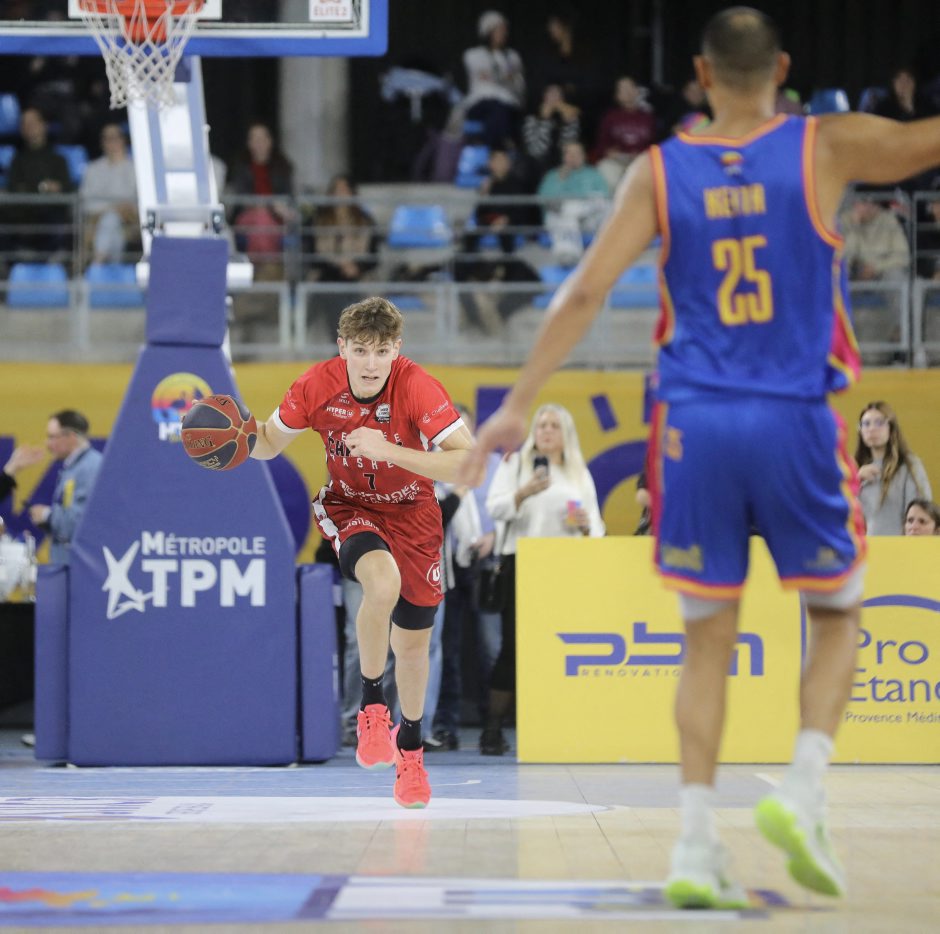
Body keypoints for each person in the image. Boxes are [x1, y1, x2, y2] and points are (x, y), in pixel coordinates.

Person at [461, 5, 940, 909]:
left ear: (702, 75)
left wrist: (519, 402)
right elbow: (926, 141)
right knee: (839, 614)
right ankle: (804, 791)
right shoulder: (824, 145)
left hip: (694, 424)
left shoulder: (657, 169)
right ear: (783, 71)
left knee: (705, 643)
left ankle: (692, 842)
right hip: (794, 416)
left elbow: (583, 293)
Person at [248, 297, 473, 808]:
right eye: (360, 350)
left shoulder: (416, 386)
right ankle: (372, 708)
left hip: (414, 515)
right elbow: (268, 442)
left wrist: (387, 449)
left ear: (398, 349)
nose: (371, 363)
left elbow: (467, 463)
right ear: (342, 348)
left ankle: (410, 753)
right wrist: (233, 440)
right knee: (382, 582)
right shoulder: (315, 385)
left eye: (382, 351)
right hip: (350, 506)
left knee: (413, 648)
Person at [481, 403, 604, 755]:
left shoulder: (577, 472)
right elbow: (494, 508)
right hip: (521, 565)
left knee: (560, 647)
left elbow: (596, 526)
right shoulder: (515, 465)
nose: (546, 431)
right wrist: (524, 493)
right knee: (512, 648)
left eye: (554, 425)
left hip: (564, 569)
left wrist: (586, 526)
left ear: (566, 433)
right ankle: (493, 729)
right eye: (541, 425)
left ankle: (558, 727)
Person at [304, 173, 379, 338]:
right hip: (326, 274)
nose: (341, 195)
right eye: (337, 190)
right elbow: (312, 255)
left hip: (356, 276)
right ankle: (341, 338)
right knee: (330, 292)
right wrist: (338, 265)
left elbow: (373, 257)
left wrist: (356, 267)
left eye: (344, 190)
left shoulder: (365, 221)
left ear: (352, 193)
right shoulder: (317, 220)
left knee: (350, 294)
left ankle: (344, 339)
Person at [28, 410, 103, 566]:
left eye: (52, 437)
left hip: (78, 567)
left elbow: (83, 522)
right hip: (69, 563)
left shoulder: (90, 468)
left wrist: (47, 515)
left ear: (71, 437)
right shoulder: (75, 468)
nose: (48, 444)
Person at [3, 107, 73, 260]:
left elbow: (67, 190)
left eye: (33, 122)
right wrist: (44, 187)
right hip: (22, 219)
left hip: (51, 219)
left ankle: (56, 260)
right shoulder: (17, 161)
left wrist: (33, 188)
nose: (29, 127)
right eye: (25, 123)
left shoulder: (58, 160)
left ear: (44, 125)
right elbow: (14, 189)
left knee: (60, 221)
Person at [228, 122, 295, 276]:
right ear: (249, 143)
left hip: (277, 218)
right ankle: (269, 271)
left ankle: (257, 273)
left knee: (265, 223)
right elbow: (241, 198)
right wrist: (269, 205)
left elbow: (289, 197)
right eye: (254, 138)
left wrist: (279, 209)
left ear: (270, 141)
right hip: (247, 217)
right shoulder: (240, 167)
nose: (258, 143)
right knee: (262, 220)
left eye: (262, 138)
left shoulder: (283, 167)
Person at [855, 401, 932, 535]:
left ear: (891, 428)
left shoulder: (909, 465)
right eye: (866, 423)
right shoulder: (853, 469)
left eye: (879, 423)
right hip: (865, 546)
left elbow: (922, 513)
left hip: (900, 545)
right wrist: (854, 480)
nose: (872, 428)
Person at [537, 140, 609, 265]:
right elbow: (543, 200)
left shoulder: (593, 174)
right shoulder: (553, 176)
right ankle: (568, 256)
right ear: (563, 157)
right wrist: (560, 179)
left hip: (588, 217)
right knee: (567, 211)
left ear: (583, 156)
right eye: (570, 154)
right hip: (561, 216)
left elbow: (605, 196)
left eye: (577, 153)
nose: (574, 157)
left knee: (607, 206)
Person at [462, 10, 526, 149]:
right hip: (481, 102)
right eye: (498, 30)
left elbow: (518, 83)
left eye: (504, 30)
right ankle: (494, 148)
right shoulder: (474, 54)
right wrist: (504, 77)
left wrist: (504, 78)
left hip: (508, 103)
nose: (503, 34)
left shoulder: (512, 56)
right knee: (498, 112)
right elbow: (482, 75)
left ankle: (492, 147)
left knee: (503, 113)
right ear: (488, 31)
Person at [79, 122, 138, 265]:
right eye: (107, 138)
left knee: (110, 221)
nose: (111, 142)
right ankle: (110, 269)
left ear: (123, 140)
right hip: (95, 221)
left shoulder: (135, 169)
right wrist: (113, 208)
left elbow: (133, 203)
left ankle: (97, 265)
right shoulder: (92, 169)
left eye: (115, 137)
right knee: (110, 221)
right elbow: (86, 203)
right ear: (102, 142)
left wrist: (111, 209)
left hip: (129, 222)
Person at [592, 76, 657, 191]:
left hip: (641, 161)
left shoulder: (648, 117)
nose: (627, 92)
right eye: (622, 89)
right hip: (617, 162)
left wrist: (642, 154)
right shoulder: (610, 117)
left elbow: (656, 145)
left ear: (637, 91)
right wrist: (608, 152)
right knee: (605, 169)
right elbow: (601, 146)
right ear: (617, 96)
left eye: (630, 87)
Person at [521, 83, 581, 186]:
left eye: (558, 94)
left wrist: (569, 122)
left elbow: (569, 146)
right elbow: (536, 150)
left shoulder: (569, 116)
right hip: (538, 165)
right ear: (544, 97)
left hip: (562, 163)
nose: (554, 97)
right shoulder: (532, 119)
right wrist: (545, 120)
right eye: (551, 93)